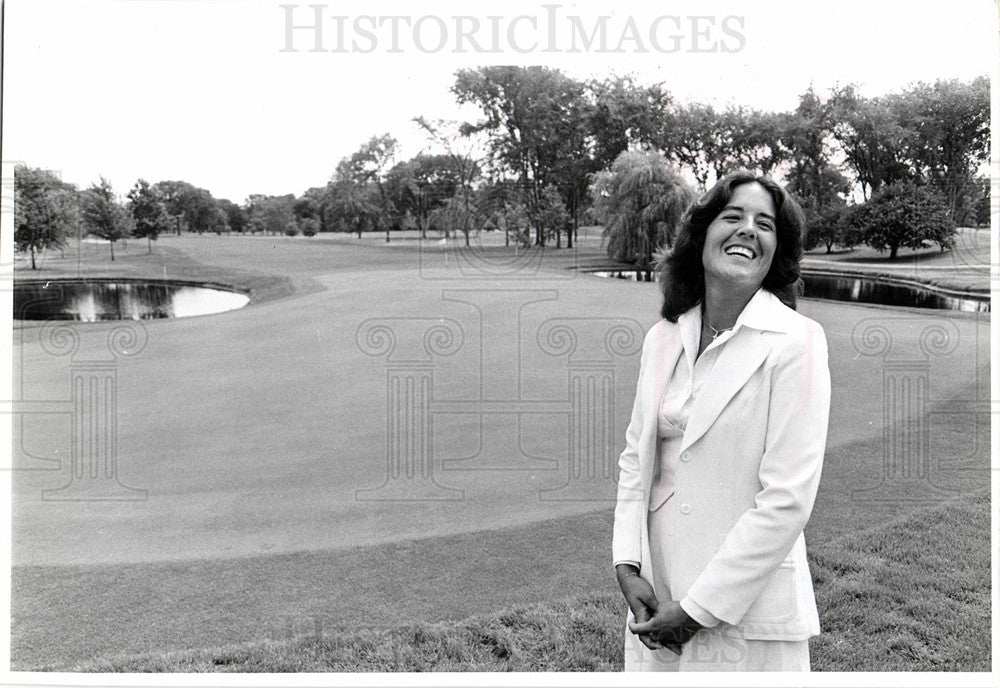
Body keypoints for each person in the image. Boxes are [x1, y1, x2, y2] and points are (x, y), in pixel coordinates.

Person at [612, 171, 832, 671]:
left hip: (745, 611)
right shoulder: (663, 338)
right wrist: (627, 563)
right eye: (731, 217)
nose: (747, 230)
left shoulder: (798, 341)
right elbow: (636, 459)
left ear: (778, 250)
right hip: (658, 592)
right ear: (702, 233)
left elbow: (787, 499)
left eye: (765, 224)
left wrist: (696, 611)